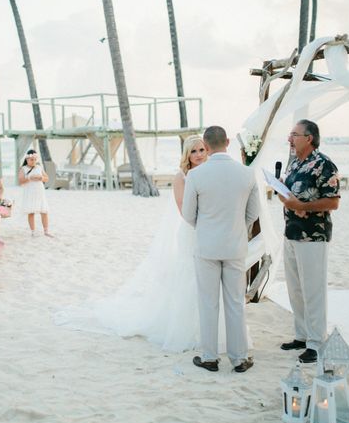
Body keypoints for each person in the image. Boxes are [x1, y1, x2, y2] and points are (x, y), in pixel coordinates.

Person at [56, 135, 239, 353]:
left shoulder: (211, 172)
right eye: (194, 151)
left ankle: (212, 331)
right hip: (192, 232)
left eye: (201, 150)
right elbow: (184, 211)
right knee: (189, 278)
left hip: (212, 234)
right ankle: (188, 330)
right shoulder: (182, 177)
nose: (199, 155)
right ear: (187, 155)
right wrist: (208, 225)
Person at [182, 126, 259, 373]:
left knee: (208, 303)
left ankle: (209, 357)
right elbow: (253, 214)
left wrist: (206, 227)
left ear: (206, 143)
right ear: (227, 141)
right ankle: (238, 359)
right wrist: (236, 227)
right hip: (235, 245)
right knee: (236, 302)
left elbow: (188, 215)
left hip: (206, 246)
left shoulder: (196, 176)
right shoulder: (247, 173)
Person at [278, 119, 340, 364]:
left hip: (313, 236)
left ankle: (316, 342)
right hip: (291, 234)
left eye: (294, 134)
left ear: (309, 138)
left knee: (313, 290)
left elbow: (333, 201)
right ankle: (302, 336)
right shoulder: (295, 164)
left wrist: (303, 206)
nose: (290, 139)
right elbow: (292, 195)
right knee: (295, 289)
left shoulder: (324, 165)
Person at [18, 150, 51, 237]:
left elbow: (46, 178)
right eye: (31, 159)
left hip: (40, 192)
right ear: (27, 159)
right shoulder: (23, 169)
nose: (33, 161)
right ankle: (33, 231)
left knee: (44, 211)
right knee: (31, 211)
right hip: (29, 192)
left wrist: (41, 177)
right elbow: (20, 181)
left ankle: (46, 231)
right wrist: (29, 178)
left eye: (34, 159)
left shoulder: (39, 167)